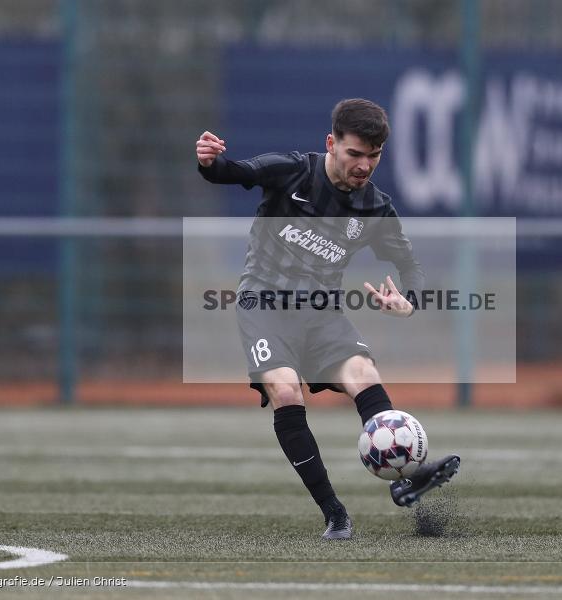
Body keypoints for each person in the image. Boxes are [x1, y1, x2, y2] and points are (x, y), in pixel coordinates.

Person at [195, 98, 461, 540]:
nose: (364, 166)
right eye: (355, 154)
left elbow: (409, 266)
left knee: (363, 372)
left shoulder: (375, 207)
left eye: (374, 156)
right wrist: (208, 161)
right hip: (263, 304)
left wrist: (408, 300)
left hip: (320, 313)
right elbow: (231, 172)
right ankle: (335, 513)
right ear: (331, 143)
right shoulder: (293, 170)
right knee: (285, 389)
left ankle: (406, 477)